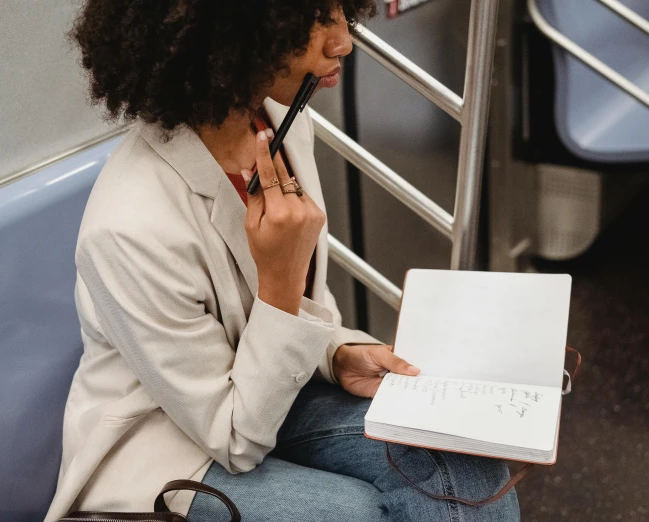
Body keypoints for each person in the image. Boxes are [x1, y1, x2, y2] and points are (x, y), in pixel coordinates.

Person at [45, 1, 519, 520]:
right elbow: (234, 439)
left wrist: (336, 353)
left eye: (342, 11)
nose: (343, 42)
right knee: (355, 514)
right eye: (312, 20)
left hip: (271, 396)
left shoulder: (278, 121)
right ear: (230, 34)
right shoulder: (127, 228)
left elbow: (291, 318)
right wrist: (282, 275)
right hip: (172, 443)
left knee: (467, 466)